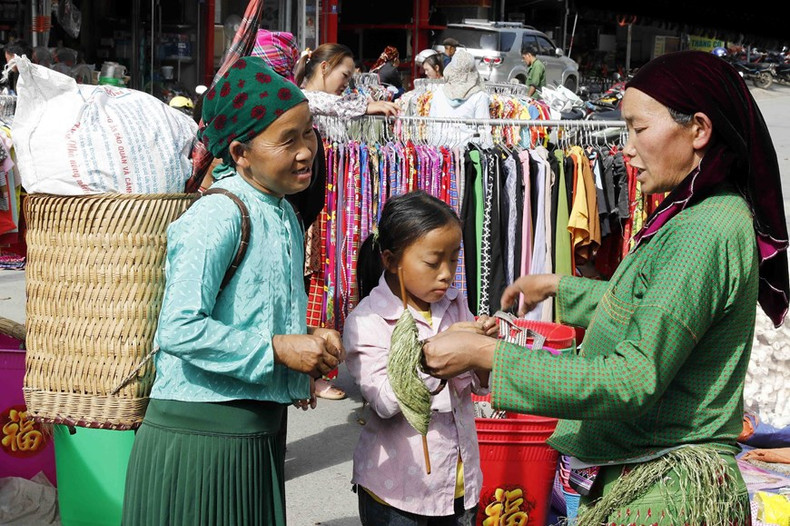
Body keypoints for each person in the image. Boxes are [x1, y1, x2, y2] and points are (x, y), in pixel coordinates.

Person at [421, 50, 789, 524]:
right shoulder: (697, 211)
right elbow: (653, 304)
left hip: (666, 491)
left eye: (638, 129)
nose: (628, 148)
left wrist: (489, 358)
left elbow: (631, 378)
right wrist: (559, 286)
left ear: (699, 129)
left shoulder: (705, 229)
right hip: (654, 477)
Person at [121, 57, 345, 526]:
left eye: (308, 133)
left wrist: (307, 339)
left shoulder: (281, 211)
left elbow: (253, 311)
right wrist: (281, 349)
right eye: (287, 140)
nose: (306, 151)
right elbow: (179, 329)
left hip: (254, 431)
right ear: (241, 152)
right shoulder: (217, 216)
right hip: (203, 438)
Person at [344, 190, 498, 525]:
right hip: (400, 491)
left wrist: (482, 351)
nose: (446, 274)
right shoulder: (368, 321)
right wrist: (432, 361)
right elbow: (385, 402)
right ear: (390, 260)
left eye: (454, 259)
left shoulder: (455, 304)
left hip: (459, 482)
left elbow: (473, 386)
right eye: (433, 262)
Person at [297, 43, 398, 119]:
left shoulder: (334, 108)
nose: (346, 84)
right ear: (324, 67)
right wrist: (365, 107)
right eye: (344, 75)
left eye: (349, 79)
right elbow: (331, 103)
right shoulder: (303, 99)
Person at [428, 49, 490, 146]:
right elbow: (484, 131)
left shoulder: (439, 92)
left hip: (441, 152)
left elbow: (431, 125)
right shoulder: (479, 96)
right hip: (467, 153)